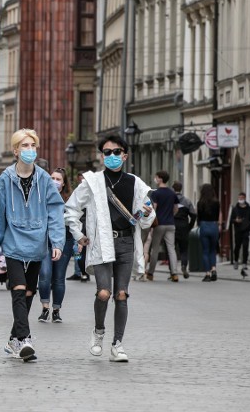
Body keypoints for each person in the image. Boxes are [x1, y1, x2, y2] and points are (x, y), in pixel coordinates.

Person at [64, 135, 155, 363]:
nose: (112, 156)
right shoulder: (92, 182)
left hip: (125, 242)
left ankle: (118, 344)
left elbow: (146, 218)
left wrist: (146, 212)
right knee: (104, 293)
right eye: (107, 152)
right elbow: (71, 209)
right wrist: (79, 235)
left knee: (121, 294)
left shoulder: (136, 183)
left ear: (125, 155)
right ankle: (98, 332)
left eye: (116, 152)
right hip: (102, 243)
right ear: (101, 156)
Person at [0, 128, 64, 362]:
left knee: (30, 292)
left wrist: (57, 241)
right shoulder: (5, 180)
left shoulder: (44, 179)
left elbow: (55, 212)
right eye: (25, 146)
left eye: (33, 146)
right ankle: (25, 339)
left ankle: (13, 339)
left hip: (37, 244)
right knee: (19, 290)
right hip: (13, 244)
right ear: (15, 150)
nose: (30, 150)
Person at [37, 167, 76, 323]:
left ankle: (56, 310)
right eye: (52, 178)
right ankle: (45, 308)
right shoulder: (41, 198)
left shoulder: (70, 200)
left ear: (64, 183)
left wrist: (78, 240)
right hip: (44, 241)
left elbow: (75, 221)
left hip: (65, 241)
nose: (55, 182)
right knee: (45, 274)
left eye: (58, 179)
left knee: (59, 278)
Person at [146, 170, 179, 282]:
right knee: (171, 248)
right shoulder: (172, 193)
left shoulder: (156, 193)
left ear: (160, 179)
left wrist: (151, 222)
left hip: (159, 224)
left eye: (156, 177)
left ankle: (150, 273)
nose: (155, 179)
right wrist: (171, 215)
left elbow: (154, 208)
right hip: (171, 224)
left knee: (155, 249)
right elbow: (176, 208)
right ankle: (174, 273)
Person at [171, 181, 197, 279]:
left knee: (171, 250)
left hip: (172, 226)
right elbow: (193, 215)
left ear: (173, 189)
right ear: (181, 189)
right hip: (183, 226)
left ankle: (173, 271)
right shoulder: (187, 201)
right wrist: (189, 226)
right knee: (184, 249)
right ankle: (184, 266)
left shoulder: (170, 200)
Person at [196, 183, 221, 282]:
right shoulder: (216, 202)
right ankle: (214, 269)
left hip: (204, 225)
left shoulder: (200, 203)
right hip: (214, 225)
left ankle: (207, 273)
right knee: (213, 250)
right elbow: (218, 214)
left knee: (205, 251)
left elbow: (199, 216)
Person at [228, 192, 250, 273]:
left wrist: (248, 223)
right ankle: (236, 261)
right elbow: (231, 220)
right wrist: (235, 220)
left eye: (242, 198)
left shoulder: (249, 209)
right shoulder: (235, 209)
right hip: (238, 230)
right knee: (237, 246)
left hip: (246, 230)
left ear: (245, 198)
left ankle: (244, 263)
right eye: (239, 198)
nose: (240, 199)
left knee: (245, 246)